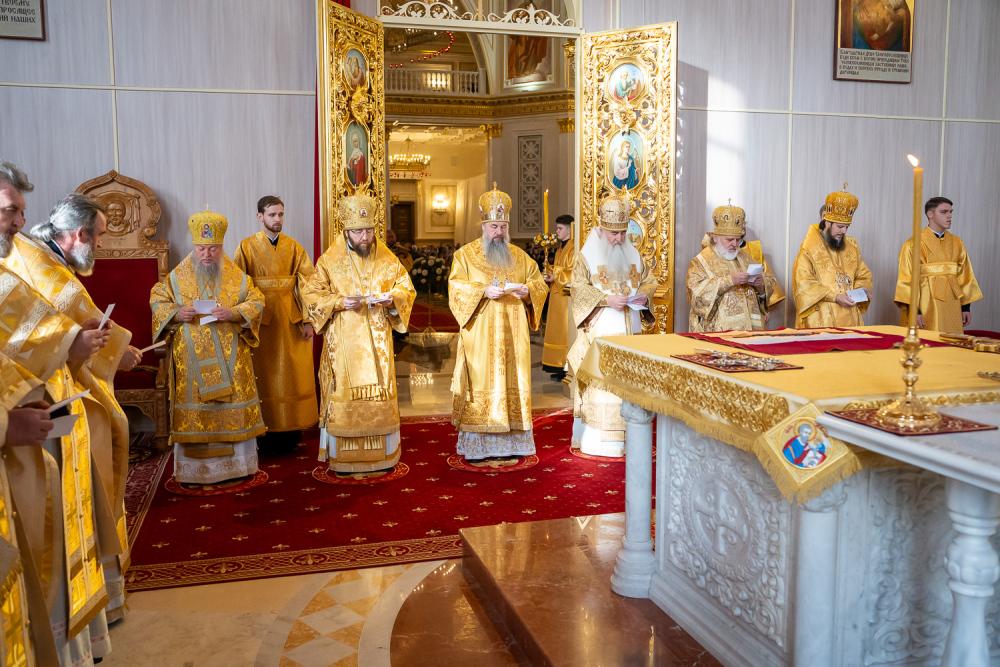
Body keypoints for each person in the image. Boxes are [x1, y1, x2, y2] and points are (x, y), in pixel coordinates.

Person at [4, 194, 143, 624]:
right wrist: (116, 351)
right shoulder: (42, 265)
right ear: (79, 234)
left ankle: (94, 600)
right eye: (98, 236)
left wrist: (107, 344)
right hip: (42, 398)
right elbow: (61, 328)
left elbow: (77, 324)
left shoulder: (43, 258)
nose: (100, 246)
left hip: (59, 386)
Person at [0, 161, 112, 665]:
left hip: (34, 410)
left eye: (20, 212)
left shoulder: (15, 261)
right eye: (9, 211)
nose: (19, 223)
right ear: (78, 234)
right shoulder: (28, 260)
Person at [149, 210, 266, 486]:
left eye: (213, 248)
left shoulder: (236, 276)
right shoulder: (178, 276)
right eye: (201, 248)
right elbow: (157, 298)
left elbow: (257, 300)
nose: (206, 254)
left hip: (230, 355)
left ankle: (237, 467)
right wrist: (177, 313)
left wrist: (234, 313)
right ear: (194, 246)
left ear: (221, 246)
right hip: (191, 357)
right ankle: (195, 471)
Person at [302, 193, 415, 474]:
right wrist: (340, 302)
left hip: (377, 343)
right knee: (344, 394)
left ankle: (383, 455)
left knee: (379, 394)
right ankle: (344, 457)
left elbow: (406, 288)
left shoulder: (387, 258)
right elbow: (311, 294)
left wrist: (392, 299)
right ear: (346, 231)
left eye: (369, 230)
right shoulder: (330, 260)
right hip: (344, 343)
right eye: (358, 232)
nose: (365, 237)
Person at [448, 184, 548, 462]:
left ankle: (514, 443)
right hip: (480, 336)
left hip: (514, 336)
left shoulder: (520, 257)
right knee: (482, 381)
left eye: (503, 227)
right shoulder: (465, 255)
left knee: (513, 380)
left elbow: (538, 284)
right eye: (494, 226)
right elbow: (455, 288)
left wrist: (528, 292)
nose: (499, 232)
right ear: (483, 225)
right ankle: (478, 444)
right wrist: (482, 291)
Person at [566, 190, 657, 458]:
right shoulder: (587, 255)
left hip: (631, 330)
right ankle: (599, 438)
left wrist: (645, 295)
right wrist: (606, 300)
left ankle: (630, 436)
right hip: (602, 333)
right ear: (602, 228)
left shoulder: (633, 253)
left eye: (622, 233)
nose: (618, 239)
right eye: (613, 233)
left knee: (628, 385)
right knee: (604, 386)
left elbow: (649, 280)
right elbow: (577, 289)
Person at [235, 196, 318, 453]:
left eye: (281, 214)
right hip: (260, 320)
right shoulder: (246, 247)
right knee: (265, 374)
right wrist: (243, 318)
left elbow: (308, 284)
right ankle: (263, 433)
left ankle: (292, 431)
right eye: (272, 214)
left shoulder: (294, 247)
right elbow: (237, 284)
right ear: (260, 217)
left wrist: (308, 319)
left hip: (291, 319)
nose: (277, 219)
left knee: (293, 374)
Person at [687, 203, 781, 332]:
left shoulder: (746, 258)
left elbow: (768, 286)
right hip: (719, 332)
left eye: (738, 240)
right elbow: (696, 296)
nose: (734, 244)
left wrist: (761, 286)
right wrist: (730, 280)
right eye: (729, 239)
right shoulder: (701, 262)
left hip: (752, 330)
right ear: (715, 237)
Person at [894, 196, 982, 333]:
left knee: (952, 340)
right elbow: (906, 279)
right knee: (928, 339)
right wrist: (914, 311)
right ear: (930, 214)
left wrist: (965, 307)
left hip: (952, 302)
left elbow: (965, 275)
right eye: (944, 212)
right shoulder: (913, 244)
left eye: (951, 212)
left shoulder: (957, 243)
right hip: (926, 303)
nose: (949, 216)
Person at [792, 186, 873, 328]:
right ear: (826, 221)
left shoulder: (852, 247)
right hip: (821, 321)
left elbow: (863, 275)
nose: (844, 231)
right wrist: (835, 297)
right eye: (840, 226)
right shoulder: (808, 249)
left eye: (847, 227)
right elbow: (803, 284)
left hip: (851, 319)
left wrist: (861, 290)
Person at [541, 214, 575, 380]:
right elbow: (560, 269)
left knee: (564, 332)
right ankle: (557, 364)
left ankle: (565, 365)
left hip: (565, 298)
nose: (557, 231)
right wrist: (550, 273)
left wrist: (555, 273)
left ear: (569, 229)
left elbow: (573, 273)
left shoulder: (574, 248)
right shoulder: (561, 248)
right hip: (557, 296)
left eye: (560, 228)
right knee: (556, 331)